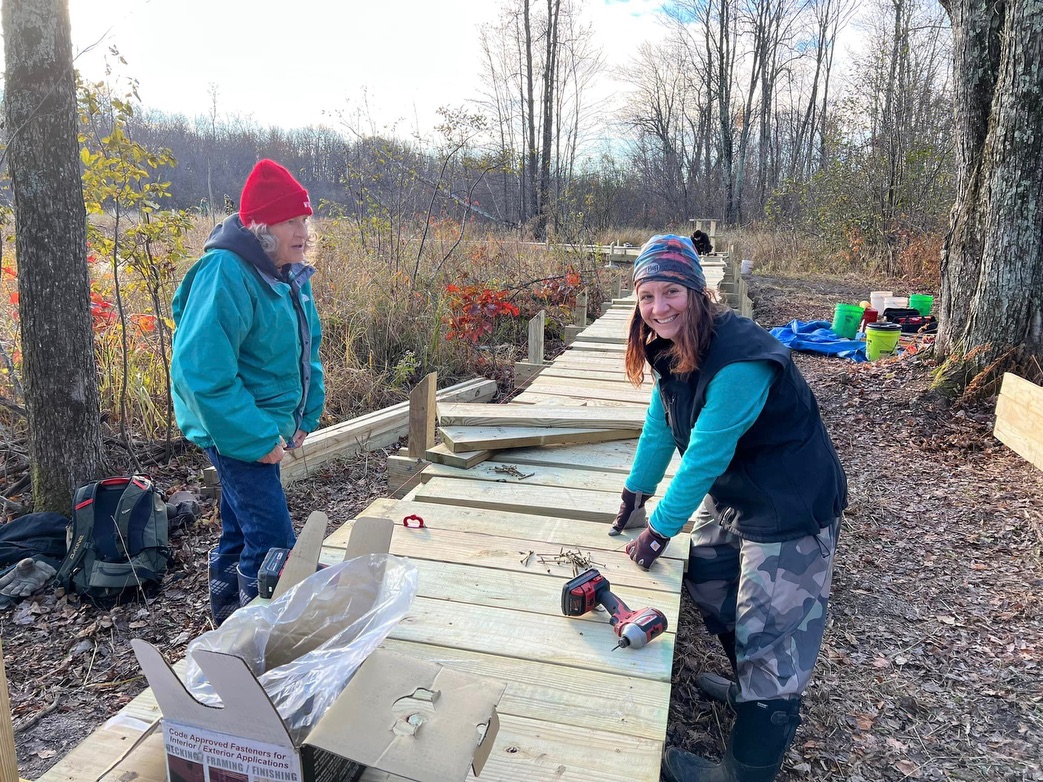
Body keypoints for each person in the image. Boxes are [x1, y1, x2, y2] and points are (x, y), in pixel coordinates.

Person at [608, 234, 846, 782]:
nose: (658, 308)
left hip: (789, 503)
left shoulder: (740, 359)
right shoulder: (670, 341)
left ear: (698, 291)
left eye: (671, 292)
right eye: (647, 296)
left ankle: (744, 769)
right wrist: (636, 489)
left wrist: (660, 530)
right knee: (712, 579)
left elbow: (705, 457)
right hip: (740, 491)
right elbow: (661, 420)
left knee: (771, 632)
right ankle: (748, 687)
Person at [171, 159, 325, 626]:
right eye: (289, 221)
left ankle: (224, 624)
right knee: (275, 542)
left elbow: (306, 353)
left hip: (261, 429)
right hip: (235, 430)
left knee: (239, 530)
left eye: (304, 219)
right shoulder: (226, 272)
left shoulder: (288, 274)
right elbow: (202, 372)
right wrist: (258, 438)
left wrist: (302, 419)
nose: (301, 230)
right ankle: (259, 642)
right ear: (261, 226)